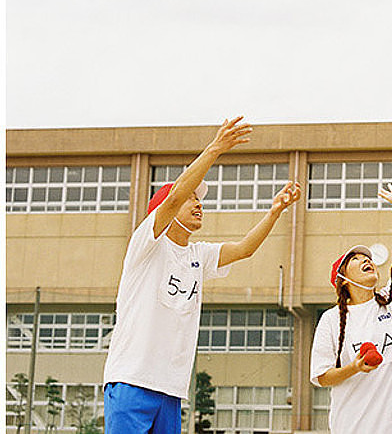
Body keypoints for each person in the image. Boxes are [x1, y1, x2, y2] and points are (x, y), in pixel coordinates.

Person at [103, 116, 302, 434]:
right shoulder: (146, 244)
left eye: (199, 199)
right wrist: (216, 148)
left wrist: (275, 210)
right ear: (167, 210)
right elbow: (175, 195)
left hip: (170, 389)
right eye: (191, 199)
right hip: (131, 380)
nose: (198, 205)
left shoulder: (199, 255)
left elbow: (245, 249)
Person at [309, 180, 392, 433]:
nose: (366, 260)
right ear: (343, 280)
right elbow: (322, 376)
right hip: (354, 426)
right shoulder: (330, 319)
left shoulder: (389, 301)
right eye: (356, 260)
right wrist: (355, 367)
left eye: (367, 258)